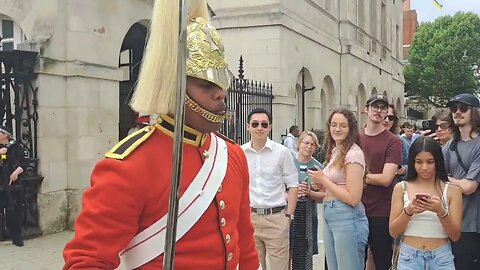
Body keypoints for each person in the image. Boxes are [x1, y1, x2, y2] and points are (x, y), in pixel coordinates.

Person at [63, 1, 260, 269]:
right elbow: (87, 261)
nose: (220, 93)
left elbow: (245, 245)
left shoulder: (233, 156)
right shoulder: (129, 166)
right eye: (205, 84)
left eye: (221, 83)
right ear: (175, 84)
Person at [309, 108, 369, 270]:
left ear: (351, 129)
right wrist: (319, 184)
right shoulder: (336, 151)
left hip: (347, 216)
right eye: (334, 125)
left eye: (343, 126)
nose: (337, 129)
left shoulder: (353, 154)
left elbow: (353, 198)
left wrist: (324, 181)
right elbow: (335, 184)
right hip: (331, 213)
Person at [389, 137, 462, 269]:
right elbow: (393, 232)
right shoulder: (401, 187)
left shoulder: (452, 190)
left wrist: (441, 211)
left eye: (430, 162)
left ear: (438, 161)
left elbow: (455, 235)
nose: (424, 168)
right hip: (409, 257)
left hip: (441, 257)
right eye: (418, 162)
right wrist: (408, 211)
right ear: (412, 162)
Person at [242, 108, 299, 270]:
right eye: (255, 124)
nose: (259, 127)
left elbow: (293, 184)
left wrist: (289, 215)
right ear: (248, 127)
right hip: (250, 219)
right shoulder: (240, 152)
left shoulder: (282, 152)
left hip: (276, 218)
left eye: (264, 124)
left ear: (270, 127)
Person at [360, 94, 402, 269]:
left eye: (382, 108)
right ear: (366, 109)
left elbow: (386, 178)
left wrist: (359, 177)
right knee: (355, 262)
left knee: (382, 262)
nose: (378, 111)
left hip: (381, 212)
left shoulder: (393, 141)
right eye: (374, 106)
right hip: (356, 210)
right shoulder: (355, 138)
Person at [442, 93, 480, 269]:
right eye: (453, 108)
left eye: (463, 108)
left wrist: (443, 178)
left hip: (473, 225)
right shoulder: (450, 145)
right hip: (451, 222)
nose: (457, 112)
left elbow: (469, 186)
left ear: (475, 112)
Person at [290, 131, 323, 265]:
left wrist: (309, 192)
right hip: (289, 213)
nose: (309, 146)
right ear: (299, 144)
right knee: (288, 250)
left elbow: (323, 196)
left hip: (308, 215)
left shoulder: (317, 167)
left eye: (313, 144)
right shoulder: (289, 161)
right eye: (306, 143)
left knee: (305, 253)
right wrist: (292, 194)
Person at [0, 125, 27, 247]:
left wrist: (17, 172)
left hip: (12, 184)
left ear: (5, 135)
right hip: (1, 183)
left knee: (13, 209)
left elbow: (24, 162)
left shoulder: (16, 147)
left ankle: (16, 236)